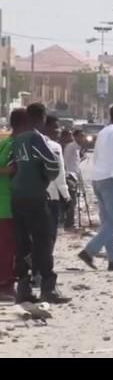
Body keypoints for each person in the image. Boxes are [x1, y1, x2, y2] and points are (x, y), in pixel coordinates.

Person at [11, 103, 70, 304]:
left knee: (22, 243)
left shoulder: (18, 140)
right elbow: (52, 163)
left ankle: (23, 288)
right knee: (43, 242)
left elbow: (14, 166)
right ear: (42, 117)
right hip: (35, 197)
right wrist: (45, 178)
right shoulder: (36, 138)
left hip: (17, 197)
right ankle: (48, 288)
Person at [78, 105, 113, 272]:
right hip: (110, 179)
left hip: (98, 178)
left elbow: (99, 156)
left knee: (107, 222)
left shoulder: (103, 132)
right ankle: (89, 251)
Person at [0, 109, 28, 300]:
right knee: (10, 247)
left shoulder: (4, 143)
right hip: (9, 204)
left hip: (5, 203)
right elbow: (11, 170)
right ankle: (6, 285)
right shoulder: (17, 145)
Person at [43, 116, 71, 249]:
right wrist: (66, 195)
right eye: (55, 127)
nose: (58, 130)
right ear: (45, 127)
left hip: (31, 196)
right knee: (50, 233)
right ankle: (45, 264)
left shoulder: (26, 142)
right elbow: (59, 174)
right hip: (51, 197)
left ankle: (33, 264)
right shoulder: (55, 146)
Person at [63, 129, 86, 229]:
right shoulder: (71, 147)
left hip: (74, 176)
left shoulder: (76, 149)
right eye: (80, 136)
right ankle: (69, 223)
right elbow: (66, 162)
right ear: (75, 136)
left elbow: (76, 165)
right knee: (71, 201)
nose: (82, 138)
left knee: (74, 201)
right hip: (70, 176)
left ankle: (70, 222)